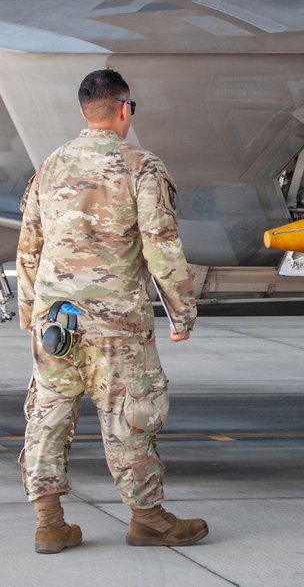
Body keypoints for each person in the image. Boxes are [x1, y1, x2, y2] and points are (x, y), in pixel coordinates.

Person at [16, 69, 207, 553]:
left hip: (54, 322)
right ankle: (148, 519)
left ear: (85, 111)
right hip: (115, 323)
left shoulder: (51, 165)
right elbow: (161, 246)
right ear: (124, 109)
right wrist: (182, 313)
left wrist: (28, 314)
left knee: (49, 414)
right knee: (129, 415)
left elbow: (28, 246)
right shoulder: (140, 166)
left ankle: (49, 523)